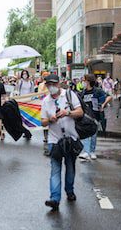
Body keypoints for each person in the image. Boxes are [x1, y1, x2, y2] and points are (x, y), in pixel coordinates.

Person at [41, 74, 83, 212]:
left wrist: (67, 113)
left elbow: (80, 112)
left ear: (59, 84)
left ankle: (69, 191)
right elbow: (42, 122)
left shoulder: (70, 95)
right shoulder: (46, 101)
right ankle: (55, 198)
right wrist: (50, 120)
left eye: (54, 84)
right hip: (54, 141)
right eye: (49, 84)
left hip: (71, 139)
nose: (51, 87)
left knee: (70, 168)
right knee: (55, 170)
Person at [78, 74, 112, 161]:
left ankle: (92, 151)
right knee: (86, 134)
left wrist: (103, 104)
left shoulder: (98, 91)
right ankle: (86, 152)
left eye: (84, 80)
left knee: (93, 135)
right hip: (86, 117)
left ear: (88, 81)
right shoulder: (82, 93)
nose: (83, 82)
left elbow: (109, 96)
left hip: (95, 116)